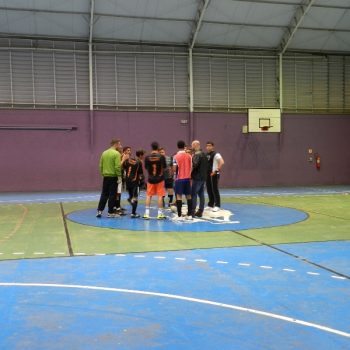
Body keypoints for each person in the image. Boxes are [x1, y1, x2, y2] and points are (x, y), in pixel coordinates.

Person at [96, 139, 122, 218]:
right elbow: (117, 166)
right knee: (112, 195)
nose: (120, 146)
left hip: (106, 177)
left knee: (104, 194)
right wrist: (119, 176)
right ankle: (110, 212)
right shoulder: (116, 153)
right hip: (113, 177)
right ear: (116, 144)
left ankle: (99, 211)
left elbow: (100, 165)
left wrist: (103, 174)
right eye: (119, 144)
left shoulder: (104, 153)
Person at [143, 142, 167, 220]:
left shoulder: (147, 157)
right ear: (158, 147)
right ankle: (159, 214)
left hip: (150, 179)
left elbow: (146, 167)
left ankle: (146, 214)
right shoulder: (162, 157)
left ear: (151, 147)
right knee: (160, 196)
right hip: (160, 179)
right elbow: (164, 167)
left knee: (148, 196)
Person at [173, 140, 192, 220]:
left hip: (179, 179)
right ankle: (190, 215)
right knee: (188, 196)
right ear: (184, 146)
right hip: (187, 178)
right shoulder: (189, 156)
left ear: (177, 146)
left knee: (179, 196)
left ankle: (179, 216)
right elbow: (192, 167)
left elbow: (174, 169)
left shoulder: (175, 156)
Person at [123, 149, 145, 218]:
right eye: (143, 155)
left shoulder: (128, 160)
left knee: (131, 195)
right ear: (141, 155)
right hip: (134, 181)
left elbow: (124, 167)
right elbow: (140, 174)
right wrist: (142, 183)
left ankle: (130, 199)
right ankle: (133, 213)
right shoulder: (139, 162)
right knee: (135, 197)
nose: (143, 157)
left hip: (127, 181)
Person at [191, 140, 208, 217]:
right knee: (201, 194)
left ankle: (192, 211)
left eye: (192, 145)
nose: (192, 147)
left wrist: (191, 158)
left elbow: (194, 165)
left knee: (193, 194)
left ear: (196, 145)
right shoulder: (204, 154)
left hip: (197, 177)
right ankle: (200, 211)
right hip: (203, 177)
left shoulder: (197, 155)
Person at [206, 141, 224, 212]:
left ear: (213, 146)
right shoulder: (206, 154)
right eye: (207, 145)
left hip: (214, 174)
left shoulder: (216, 154)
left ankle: (217, 205)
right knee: (209, 190)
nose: (208, 147)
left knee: (215, 189)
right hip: (208, 174)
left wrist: (216, 171)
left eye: (210, 145)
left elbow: (222, 162)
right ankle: (210, 204)